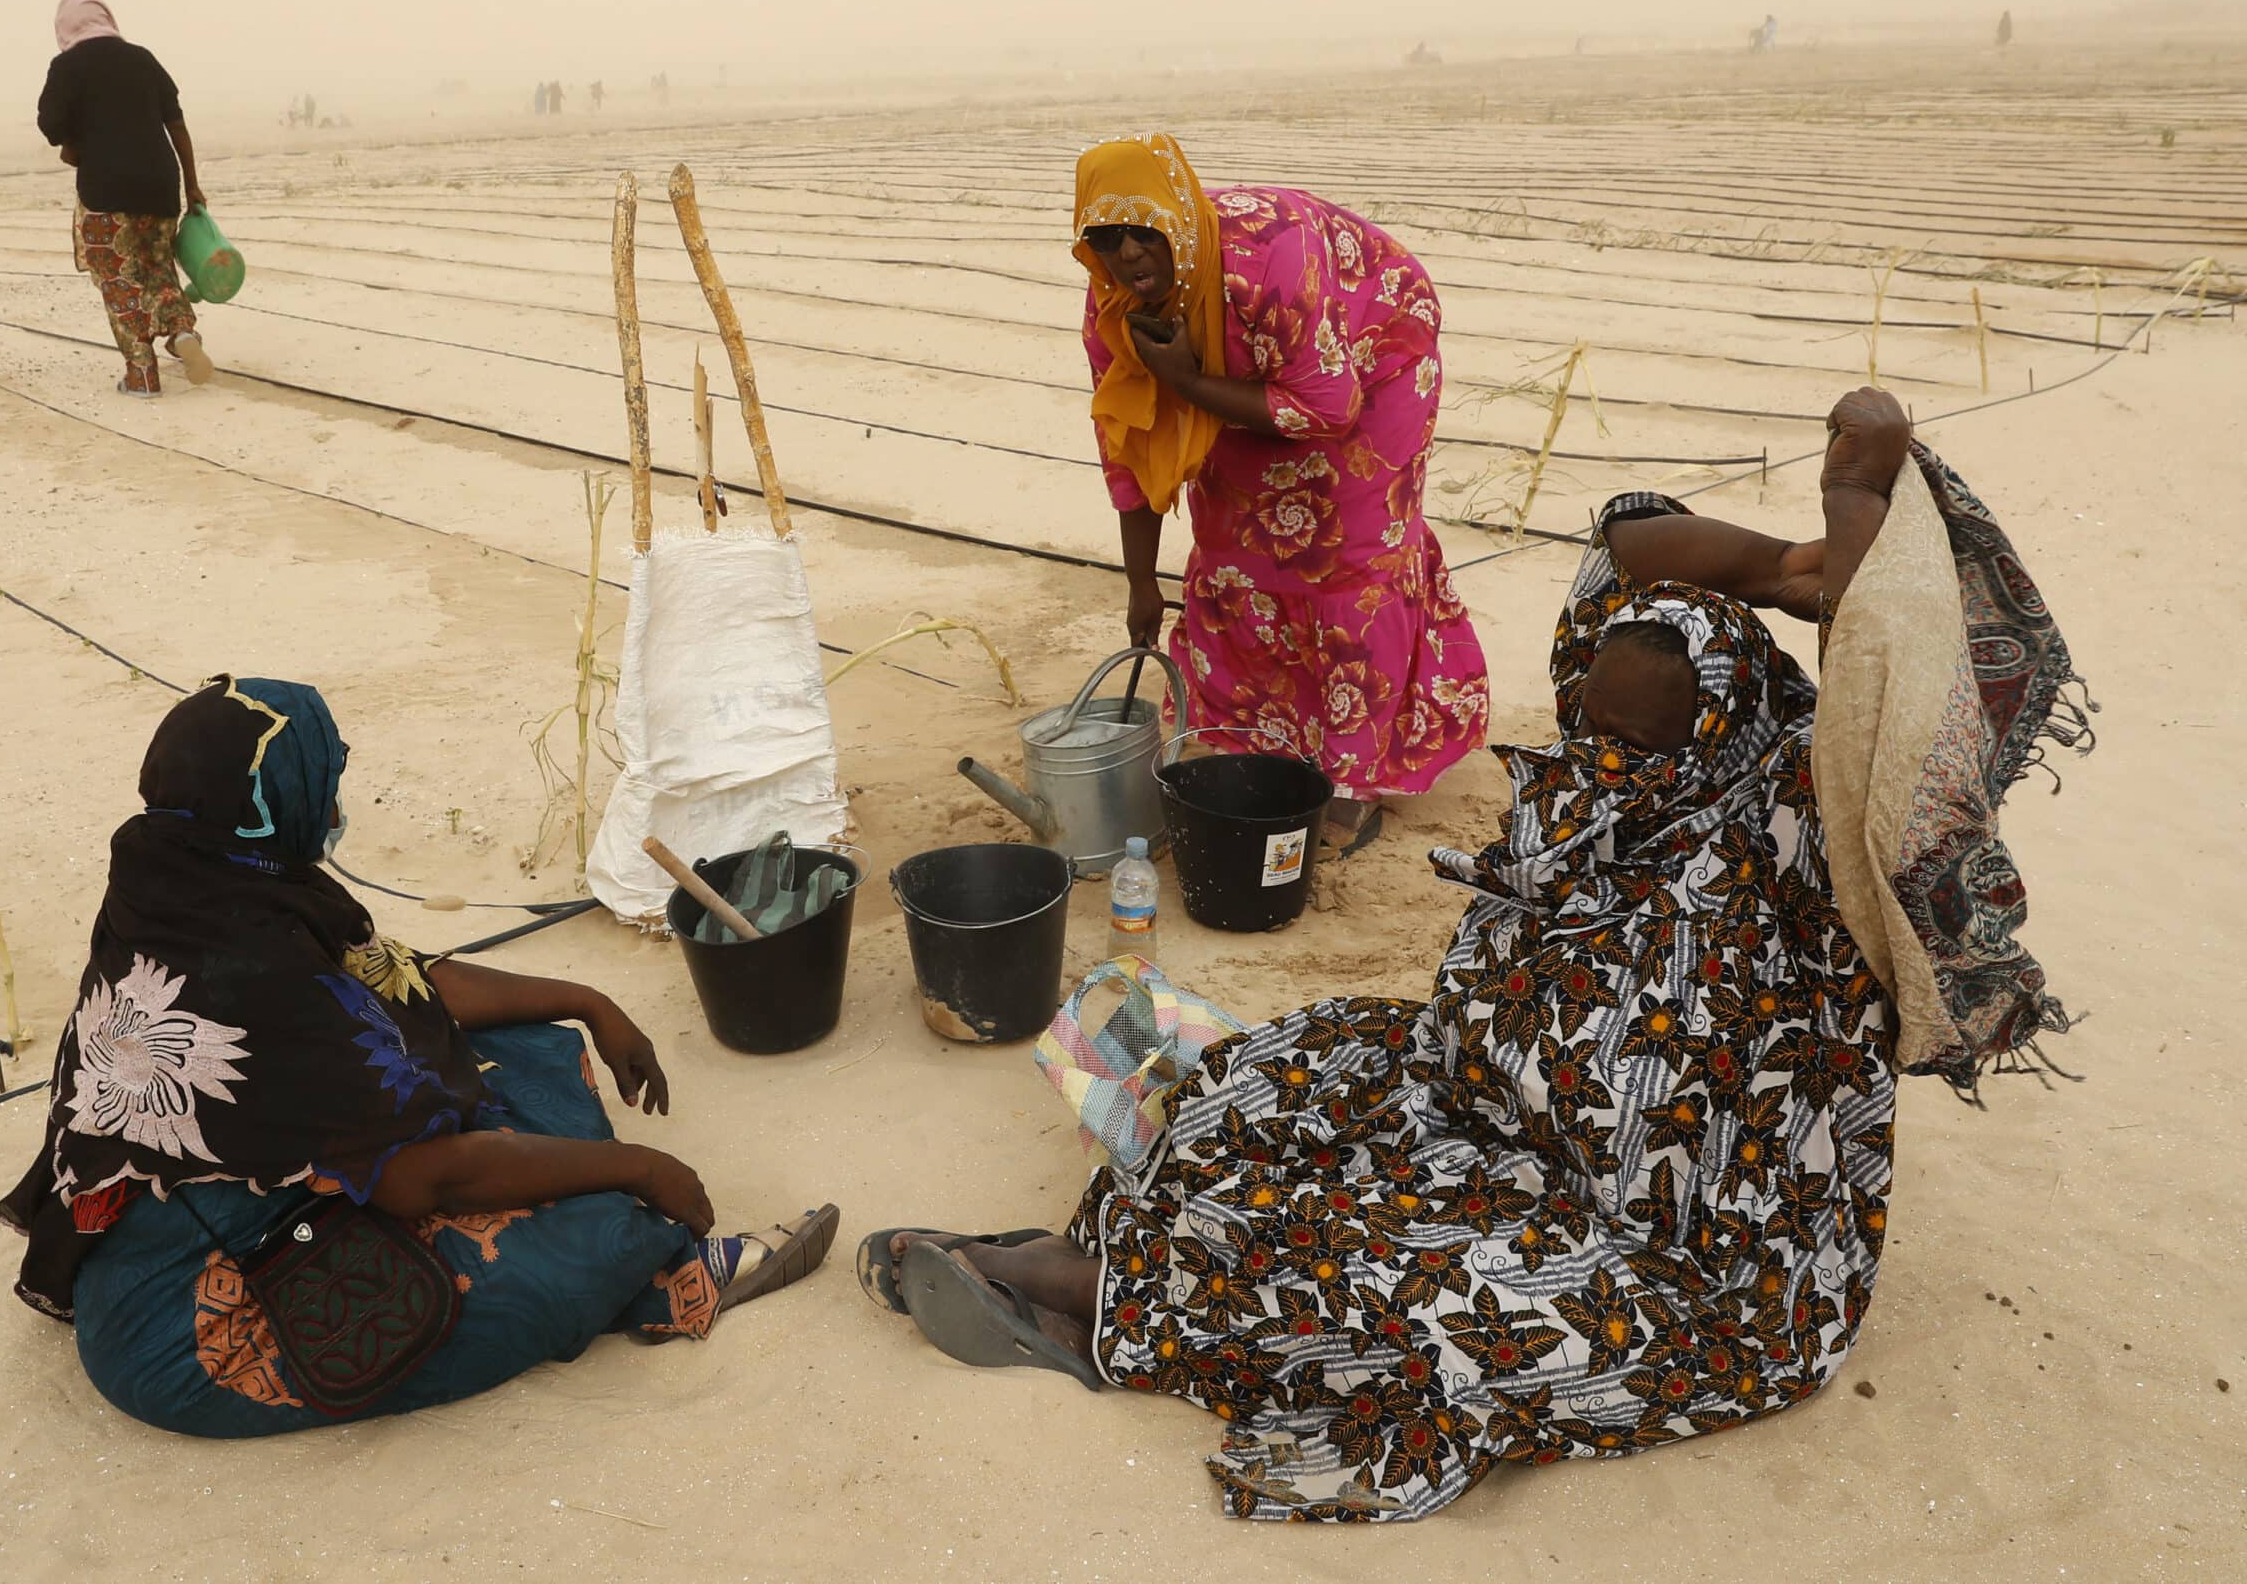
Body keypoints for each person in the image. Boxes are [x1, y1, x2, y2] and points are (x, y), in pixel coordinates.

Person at [866, 385, 2096, 1522]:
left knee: (1423, 1294)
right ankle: (1091, 1260)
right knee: (1254, 1082)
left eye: (1638, 739)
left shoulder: (1798, 840)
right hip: (1467, 1099)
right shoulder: (1588, 793)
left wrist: (1855, 507)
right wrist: (1772, 565)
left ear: (1719, 722)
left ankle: (1099, 1309)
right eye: (1594, 726)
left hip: (1679, 1247)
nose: (1606, 761)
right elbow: (1625, 548)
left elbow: (1892, 699)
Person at [0, 676, 841, 1435]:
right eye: (324, 790)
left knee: (531, 1050)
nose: (334, 811)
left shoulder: (193, 873)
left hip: (247, 1183)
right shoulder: (252, 966)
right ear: (270, 804)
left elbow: (397, 979)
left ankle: (603, 1212)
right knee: (576, 1249)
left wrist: (591, 1003)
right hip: (194, 1316)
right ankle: (667, 1282)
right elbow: (418, 1179)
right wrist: (636, 1168)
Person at [1073, 134, 1488, 853]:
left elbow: (1330, 408)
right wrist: (1139, 581)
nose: (1130, 253)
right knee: (1236, 550)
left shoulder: (1272, 258)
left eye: (1147, 230)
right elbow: (1130, 448)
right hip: (1240, 374)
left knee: (1350, 558)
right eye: (1106, 237)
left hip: (1372, 353)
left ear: (1179, 216)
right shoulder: (1115, 307)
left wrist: (1189, 382)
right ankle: (1260, 740)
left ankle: (1352, 779)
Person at [36, 0, 214, 398]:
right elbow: (177, 126)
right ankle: (182, 331)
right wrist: (192, 186)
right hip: (160, 185)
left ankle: (142, 374)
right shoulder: (143, 59)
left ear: (65, 27)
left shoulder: (67, 66)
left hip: (106, 190)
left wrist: (74, 141)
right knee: (157, 267)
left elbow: (50, 126)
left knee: (119, 278)